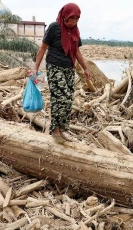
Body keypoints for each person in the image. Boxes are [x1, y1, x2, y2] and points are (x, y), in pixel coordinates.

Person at [34, 3, 91, 143]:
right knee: (60, 97)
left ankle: (61, 130)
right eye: (72, 18)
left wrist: (85, 68)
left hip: (69, 69)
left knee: (68, 100)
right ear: (65, 15)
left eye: (77, 19)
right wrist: (35, 68)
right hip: (54, 67)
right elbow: (43, 48)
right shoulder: (54, 27)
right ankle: (55, 130)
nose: (74, 22)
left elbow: (77, 51)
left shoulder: (76, 31)